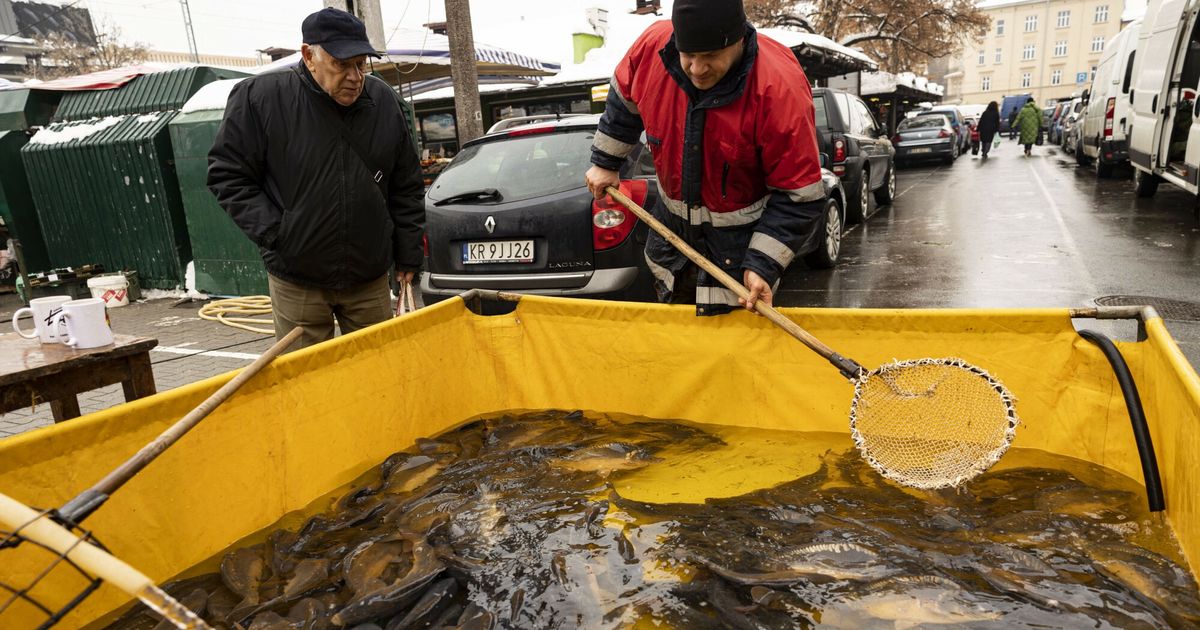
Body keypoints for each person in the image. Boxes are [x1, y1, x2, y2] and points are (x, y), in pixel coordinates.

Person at [584, 0, 825, 316]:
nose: (697, 69)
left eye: (710, 56)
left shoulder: (779, 89)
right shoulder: (653, 48)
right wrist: (605, 162)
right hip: (670, 256)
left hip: (737, 268)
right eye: (688, 55)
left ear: (738, 40)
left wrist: (763, 264)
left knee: (732, 358)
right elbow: (623, 101)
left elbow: (800, 196)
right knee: (679, 354)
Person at [208, 8, 424, 349]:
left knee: (377, 374)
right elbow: (228, 175)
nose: (355, 76)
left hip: (368, 276)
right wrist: (278, 234)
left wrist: (408, 254)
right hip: (298, 278)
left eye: (361, 64)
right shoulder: (261, 98)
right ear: (309, 55)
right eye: (342, 64)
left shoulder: (382, 101)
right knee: (306, 380)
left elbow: (406, 183)